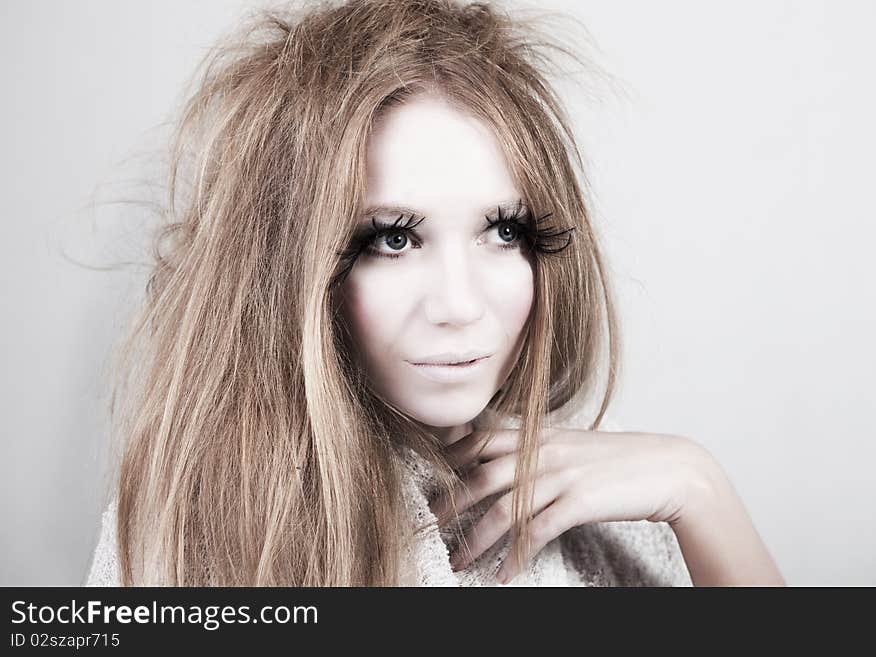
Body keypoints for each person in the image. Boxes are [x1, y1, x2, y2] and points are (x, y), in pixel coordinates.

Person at [85, 0, 785, 586]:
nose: (460, 304)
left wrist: (701, 491)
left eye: (505, 230)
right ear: (288, 268)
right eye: (393, 238)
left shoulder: (609, 506)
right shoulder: (194, 518)